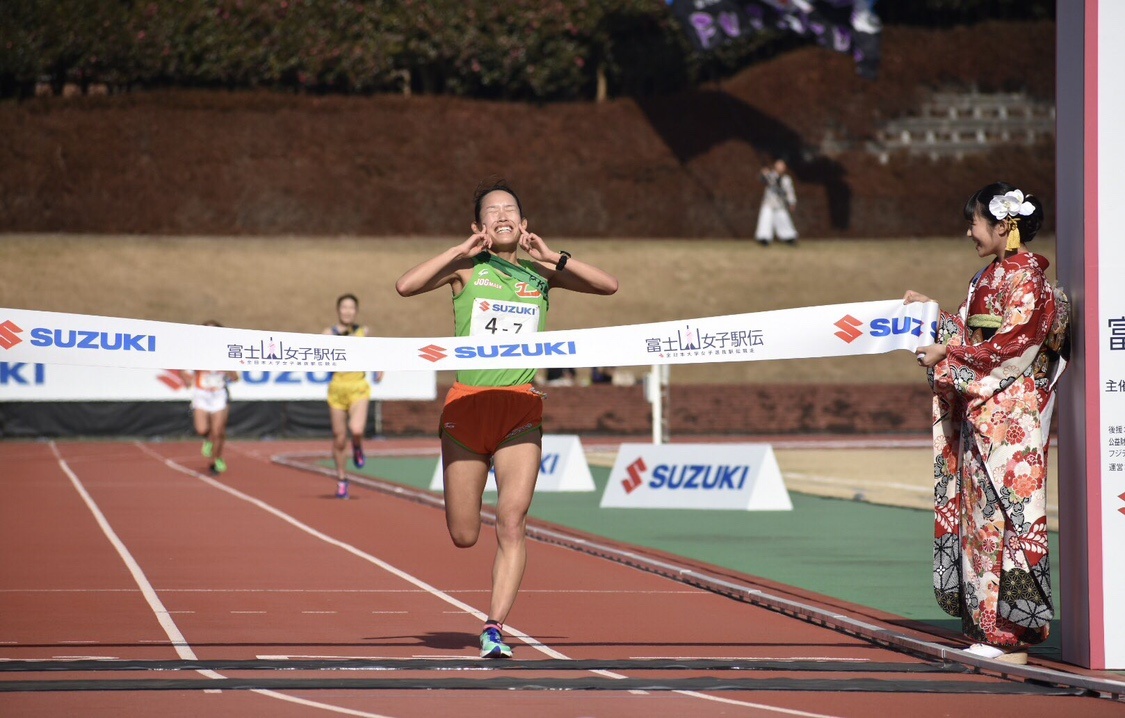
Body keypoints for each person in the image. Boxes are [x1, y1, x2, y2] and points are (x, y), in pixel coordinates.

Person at [395, 178, 618, 658]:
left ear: (523, 224)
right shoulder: (466, 271)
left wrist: (554, 256)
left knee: (512, 521)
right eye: (492, 211)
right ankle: (490, 612)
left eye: (511, 210)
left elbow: (608, 285)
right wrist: (458, 251)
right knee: (464, 534)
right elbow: (405, 286)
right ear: (479, 226)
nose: (503, 215)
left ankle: (493, 627)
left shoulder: (541, 275)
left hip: (520, 408)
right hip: (467, 408)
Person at [903, 181, 1069, 666]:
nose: (969, 232)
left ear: (1004, 226)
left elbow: (1013, 348)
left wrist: (948, 354)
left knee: (1008, 524)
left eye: (974, 222)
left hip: (1012, 416)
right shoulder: (987, 279)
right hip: (982, 417)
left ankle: (1012, 636)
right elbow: (968, 331)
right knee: (980, 523)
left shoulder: (1029, 283)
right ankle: (987, 629)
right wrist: (930, 317)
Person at [323, 293, 382, 499]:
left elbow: (378, 351)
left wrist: (379, 368)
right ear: (338, 310)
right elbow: (316, 352)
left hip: (358, 387)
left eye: (351, 308)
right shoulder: (328, 333)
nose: (347, 311)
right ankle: (341, 479)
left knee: (356, 429)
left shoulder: (364, 332)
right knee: (339, 438)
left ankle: (357, 444)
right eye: (344, 307)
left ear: (356, 311)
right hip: (337, 388)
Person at [179, 321, 240, 475]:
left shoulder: (227, 352)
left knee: (218, 431)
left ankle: (216, 459)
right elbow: (183, 369)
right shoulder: (195, 352)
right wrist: (187, 379)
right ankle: (207, 439)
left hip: (219, 395)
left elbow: (235, 377)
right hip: (202, 395)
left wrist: (226, 369)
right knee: (202, 429)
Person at [754, 158, 798, 246]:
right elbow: (762, 179)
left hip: (780, 204)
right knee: (765, 220)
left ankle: (789, 238)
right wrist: (764, 174)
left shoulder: (786, 179)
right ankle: (763, 238)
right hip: (769, 203)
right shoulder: (770, 175)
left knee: (783, 220)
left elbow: (789, 191)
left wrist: (792, 202)